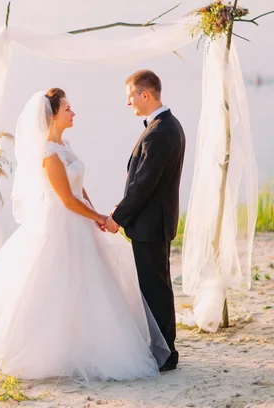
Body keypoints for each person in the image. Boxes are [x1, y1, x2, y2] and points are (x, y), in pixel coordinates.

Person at [0, 88, 169, 382]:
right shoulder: (49, 154)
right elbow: (66, 199)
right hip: (61, 225)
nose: (73, 113)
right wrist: (99, 217)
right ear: (52, 116)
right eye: (67, 109)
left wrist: (93, 212)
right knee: (55, 286)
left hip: (80, 223)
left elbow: (79, 188)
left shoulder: (65, 145)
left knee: (90, 285)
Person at [105, 70, 186, 371]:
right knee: (157, 287)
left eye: (130, 97)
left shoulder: (160, 132)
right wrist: (121, 207)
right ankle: (164, 349)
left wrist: (117, 217)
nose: (129, 103)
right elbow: (146, 183)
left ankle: (164, 354)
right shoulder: (167, 126)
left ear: (145, 95)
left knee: (154, 289)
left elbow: (144, 183)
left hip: (151, 225)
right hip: (154, 221)